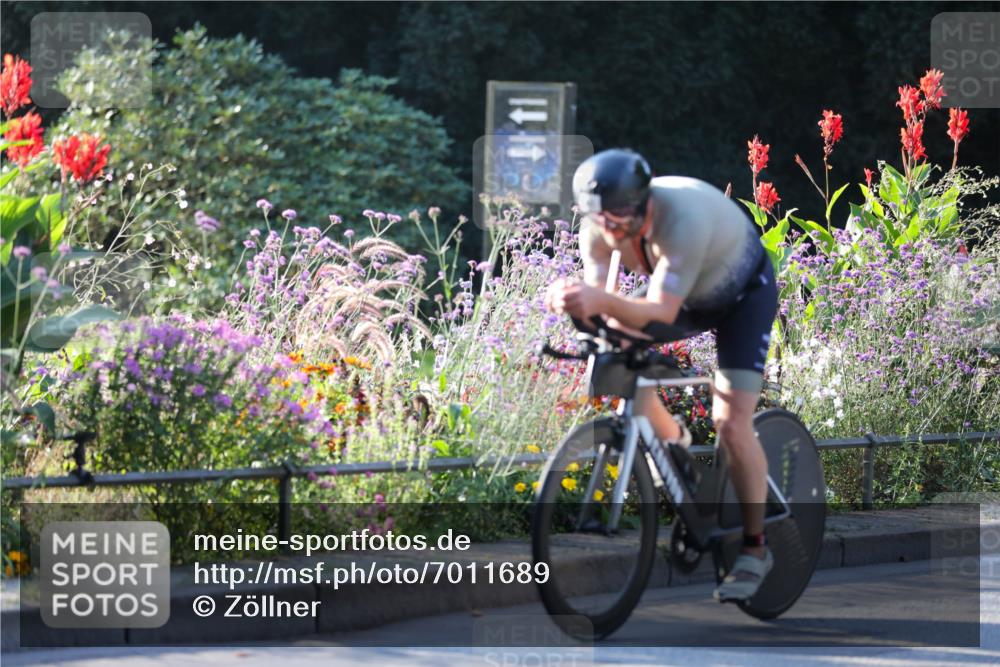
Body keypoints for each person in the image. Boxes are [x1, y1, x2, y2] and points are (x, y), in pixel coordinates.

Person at [545, 148, 778, 602]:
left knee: (731, 423)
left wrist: (598, 301)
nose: (611, 229)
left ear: (644, 200)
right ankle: (676, 449)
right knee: (616, 356)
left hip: (740, 299)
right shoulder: (599, 228)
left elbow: (660, 310)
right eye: (601, 219)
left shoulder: (680, 219)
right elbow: (603, 304)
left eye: (621, 217)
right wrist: (573, 303)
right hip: (682, 297)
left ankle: (755, 549)